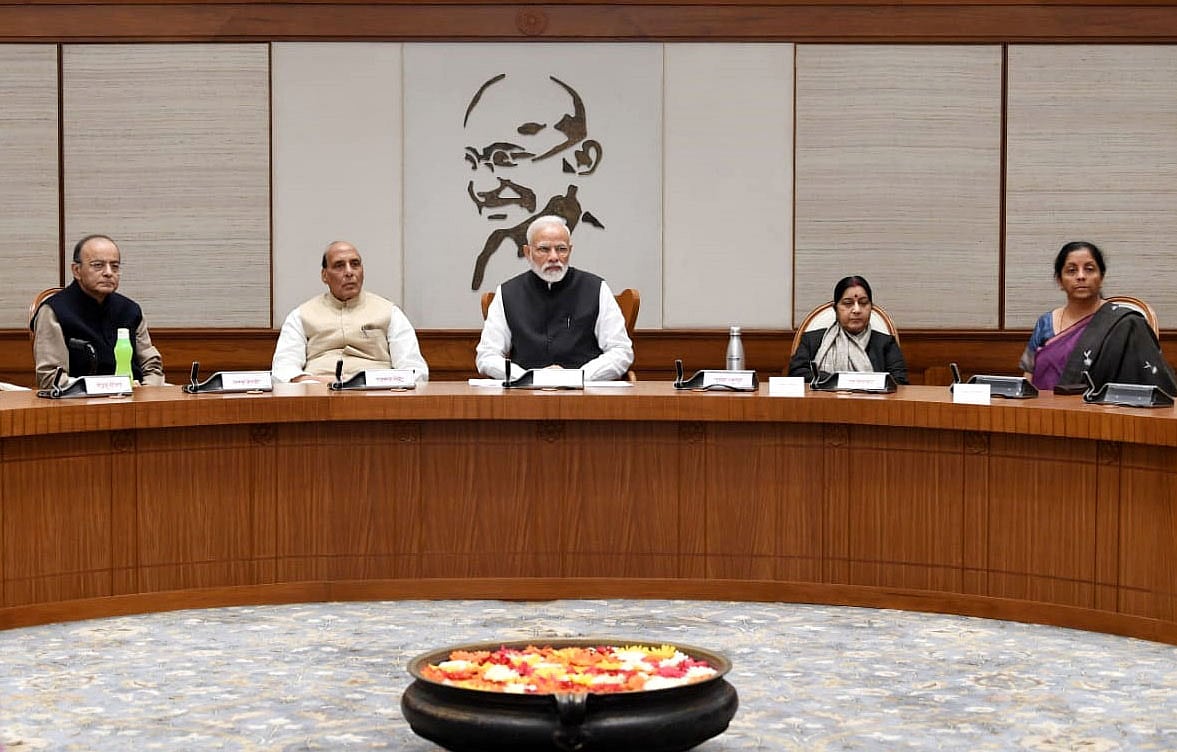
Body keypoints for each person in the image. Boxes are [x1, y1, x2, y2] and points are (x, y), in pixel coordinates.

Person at [463, 73, 605, 290]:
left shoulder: (596, 269)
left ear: (581, 160)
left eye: (504, 159)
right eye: (473, 159)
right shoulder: (486, 254)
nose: (481, 185)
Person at [475, 215, 633, 381]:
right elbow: (487, 356)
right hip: (525, 392)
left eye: (561, 249)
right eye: (544, 249)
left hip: (584, 390)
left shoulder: (597, 288)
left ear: (570, 251)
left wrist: (576, 377)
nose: (554, 257)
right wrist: (530, 378)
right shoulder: (507, 293)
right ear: (528, 252)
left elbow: (621, 351)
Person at [1020, 240, 1177, 392]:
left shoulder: (1126, 324)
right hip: (1043, 409)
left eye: (1089, 269)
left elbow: (1149, 380)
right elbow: (1028, 379)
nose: (1081, 276)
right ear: (1059, 280)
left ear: (1101, 277)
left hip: (1101, 409)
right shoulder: (1045, 323)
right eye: (1071, 270)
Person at [272, 241, 428, 383]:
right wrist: (315, 381)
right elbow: (283, 370)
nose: (349, 272)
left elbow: (415, 369)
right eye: (339, 266)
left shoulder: (390, 312)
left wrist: (378, 382)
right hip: (317, 393)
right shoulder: (301, 315)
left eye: (355, 264)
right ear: (324, 275)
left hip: (377, 393)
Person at [31, 234, 165, 389]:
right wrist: (114, 387)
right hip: (78, 400)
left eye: (115, 266)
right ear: (77, 270)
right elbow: (51, 379)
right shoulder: (54, 311)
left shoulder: (130, 309)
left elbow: (152, 367)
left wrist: (146, 391)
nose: (108, 272)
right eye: (98, 265)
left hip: (136, 398)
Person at [788, 275, 908, 384]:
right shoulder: (812, 340)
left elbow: (899, 382)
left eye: (863, 303)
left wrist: (835, 381)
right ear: (835, 309)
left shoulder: (886, 343)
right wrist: (844, 381)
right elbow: (796, 374)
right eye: (848, 303)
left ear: (871, 307)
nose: (857, 310)